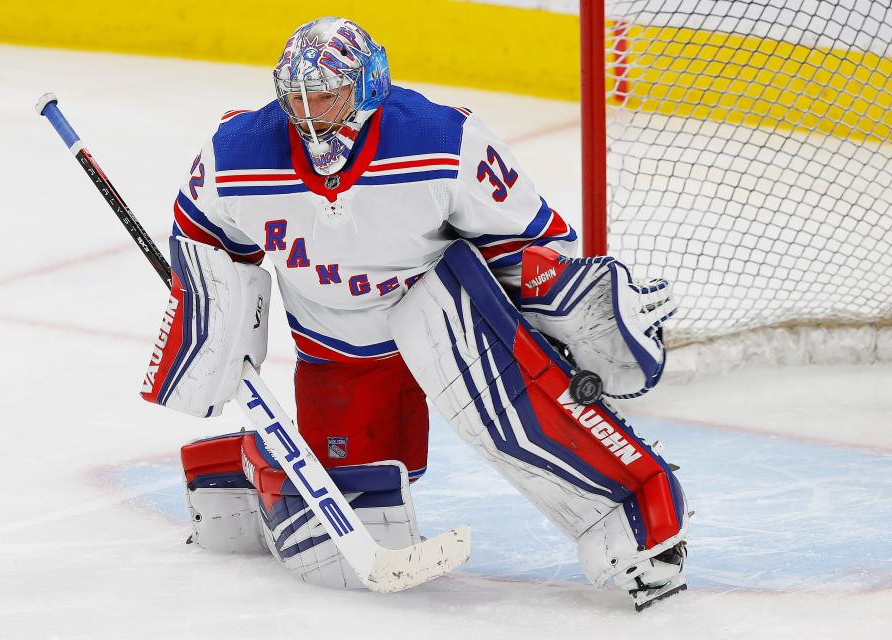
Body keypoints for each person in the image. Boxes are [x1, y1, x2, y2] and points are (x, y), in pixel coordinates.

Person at [141, 16, 688, 610]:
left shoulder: (440, 139)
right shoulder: (237, 152)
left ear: (368, 85)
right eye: (297, 100)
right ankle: (244, 468)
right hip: (335, 345)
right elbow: (203, 235)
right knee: (350, 538)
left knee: (521, 412)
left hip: (435, 308)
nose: (311, 115)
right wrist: (207, 320)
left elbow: (527, 244)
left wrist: (570, 306)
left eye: (328, 97)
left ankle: (634, 520)